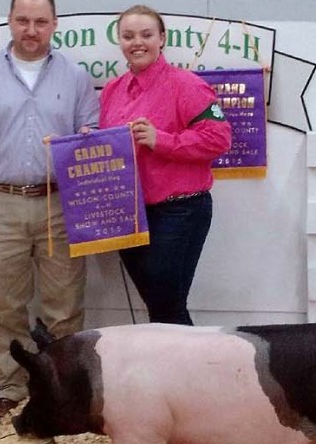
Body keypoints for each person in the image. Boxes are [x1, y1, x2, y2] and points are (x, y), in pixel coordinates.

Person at [0, 0, 99, 425]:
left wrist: (87, 142)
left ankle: (65, 387)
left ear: (54, 25)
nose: (31, 29)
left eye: (40, 21)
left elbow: (91, 136)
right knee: (7, 303)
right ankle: (10, 386)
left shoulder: (75, 77)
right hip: (1, 202)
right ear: (10, 23)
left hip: (60, 202)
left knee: (65, 303)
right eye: (22, 20)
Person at [99, 5, 232, 326]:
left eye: (146, 34)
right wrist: (91, 142)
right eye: (128, 36)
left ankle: (192, 370)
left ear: (162, 38)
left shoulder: (187, 85)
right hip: (130, 214)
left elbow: (219, 138)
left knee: (165, 301)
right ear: (119, 41)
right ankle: (182, 369)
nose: (137, 42)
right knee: (160, 304)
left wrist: (163, 140)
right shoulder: (112, 91)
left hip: (180, 211)